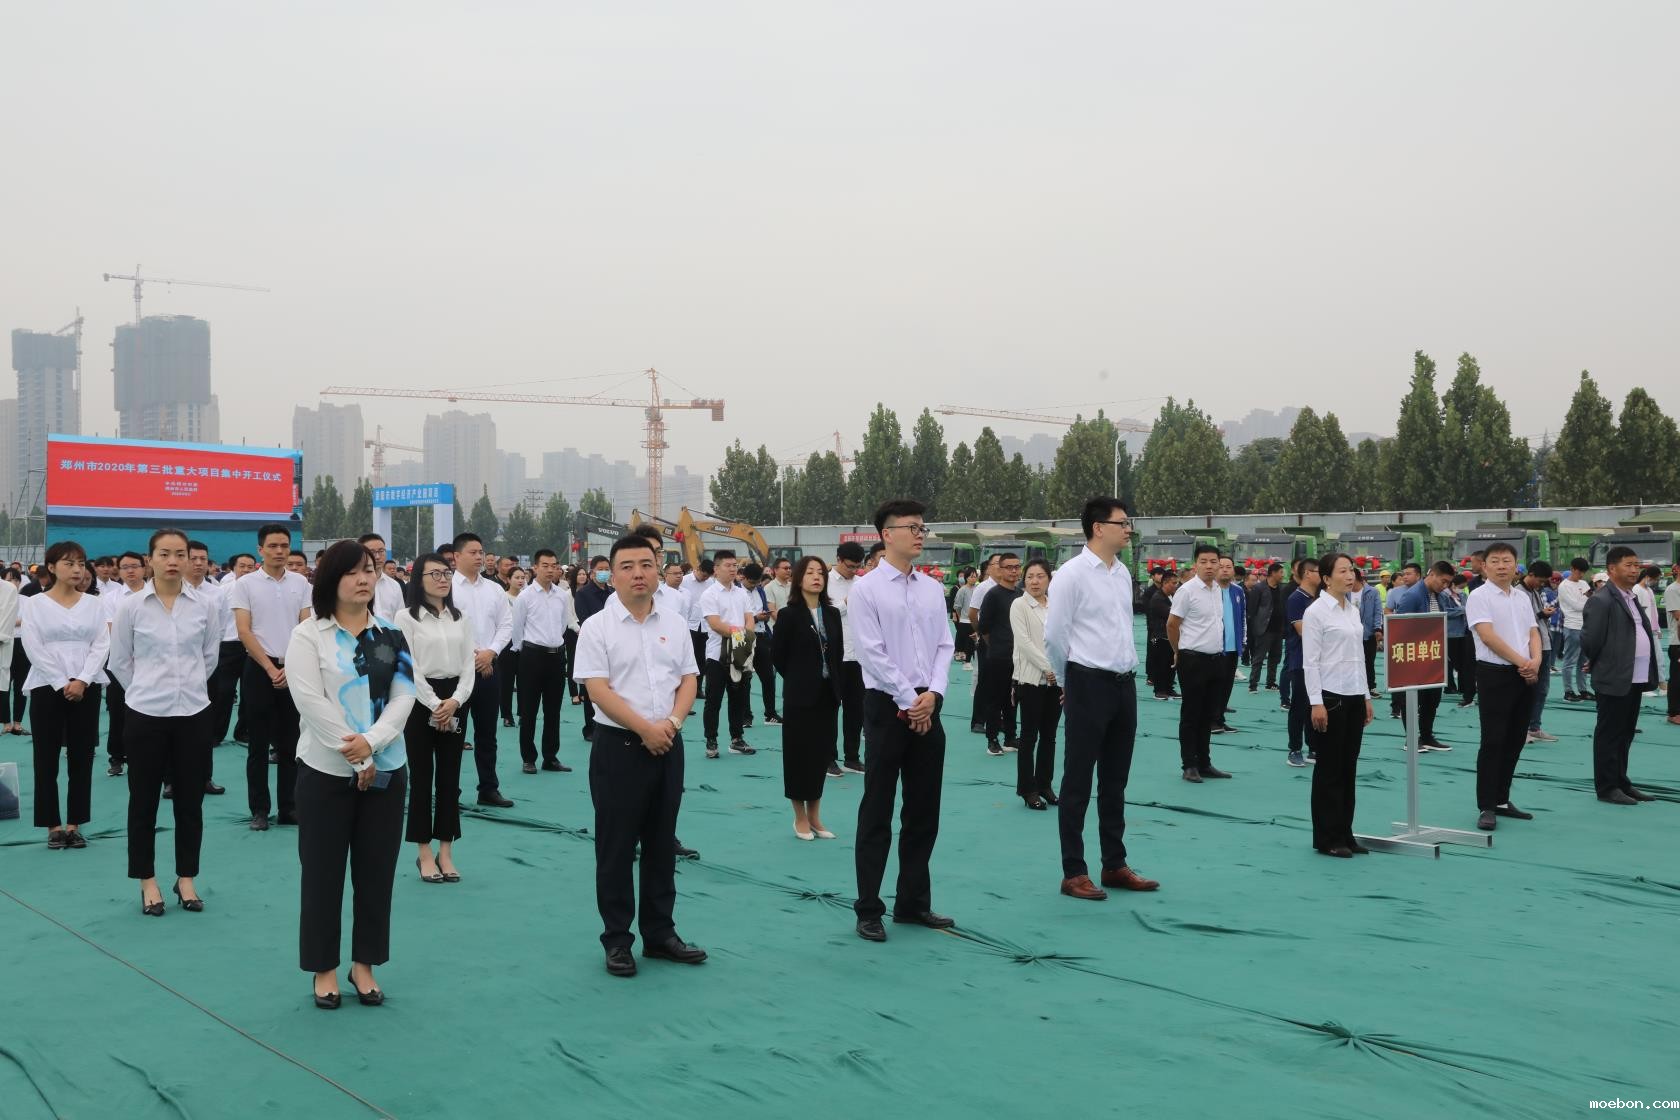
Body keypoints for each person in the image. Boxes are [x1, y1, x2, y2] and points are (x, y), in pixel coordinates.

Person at [288, 540, 415, 1009]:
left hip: (388, 770)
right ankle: (324, 967)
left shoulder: (391, 634)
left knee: (376, 873)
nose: (364, 579)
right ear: (330, 580)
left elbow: (404, 695)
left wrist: (374, 743)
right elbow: (311, 702)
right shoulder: (309, 635)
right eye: (352, 572)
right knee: (322, 874)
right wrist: (358, 757)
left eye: (370, 570)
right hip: (326, 772)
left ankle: (365, 965)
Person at [572, 534, 705, 977]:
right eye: (626, 566)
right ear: (611, 574)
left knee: (662, 844)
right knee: (615, 847)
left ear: (658, 568)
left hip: (668, 743)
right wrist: (645, 728)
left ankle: (660, 934)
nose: (638, 574)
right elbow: (598, 689)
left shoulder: (674, 622)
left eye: (646, 564)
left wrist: (672, 724)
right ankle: (617, 940)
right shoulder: (597, 628)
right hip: (620, 748)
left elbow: (688, 678)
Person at [850, 499, 956, 943]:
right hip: (887, 707)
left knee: (923, 810)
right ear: (886, 534)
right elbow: (871, 653)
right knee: (878, 808)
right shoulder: (866, 589)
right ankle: (868, 908)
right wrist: (911, 699)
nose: (919, 535)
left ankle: (912, 902)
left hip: (927, 706)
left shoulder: (931, 588)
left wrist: (934, 695)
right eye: (911, 527)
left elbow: (945, 645)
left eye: (922, 528)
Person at [1044, 498, 1158, 900]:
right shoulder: (1071, 575)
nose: (1128, 529)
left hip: (1124, 685)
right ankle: (1074, 871)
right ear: (1098, 527)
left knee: (1115, 781)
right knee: (1077, 780)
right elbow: (1055, 635)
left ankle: (1114, 864)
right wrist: (1067, 681)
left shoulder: (1122, 572)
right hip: (1087, 683)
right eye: (1122, 523)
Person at [109, 529, 220, 914]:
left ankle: (186, 878)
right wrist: (147, 690)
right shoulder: (131, 607)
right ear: (150, 559)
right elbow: (120, 661)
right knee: (143, 800)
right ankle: (147, 880)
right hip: (145, 715)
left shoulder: (205, 605)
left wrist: (185, 688)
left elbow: (209, 657)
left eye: (180, 554)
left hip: (193, 713)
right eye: (164, 554)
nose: (173, 561)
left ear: (190, 558)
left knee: (190, 801)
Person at [23, 541, 109, 850]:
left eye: (81, 563)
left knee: (82, 755)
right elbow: (33, 646)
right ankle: (53, 826)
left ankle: (75, 824)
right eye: (69, 563)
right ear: (51, 567)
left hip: (87, 685)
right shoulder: (34, 604)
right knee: (45, 757)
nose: (77, 569)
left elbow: (101, 644)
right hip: (46, 685)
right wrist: (62, 682)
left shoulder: (94, 604)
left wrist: (83, 680)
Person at [396, 553, 475, 883]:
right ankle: (424, 852)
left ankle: (446, 851)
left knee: (449, 777)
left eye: (446, 573)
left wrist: (455, 700)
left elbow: (468, 665)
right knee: (422, 776)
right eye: (435, 574)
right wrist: (434, 703)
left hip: (456, 698)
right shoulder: (406, 618)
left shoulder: (461, 617)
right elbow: (408, 666)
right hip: (419, 701)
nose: (443, 579)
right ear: (419, 579)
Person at [228, 524, 313, 831]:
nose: (279, 551)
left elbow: (306, 627)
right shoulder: (245, 584)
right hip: (258, 669)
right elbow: (244, 631)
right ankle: (260, 810)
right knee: (258, 745)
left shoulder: (301, 583)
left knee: (291, 743)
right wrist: (269, 668)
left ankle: (289, 807)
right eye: (273, 546)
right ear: (260, 550)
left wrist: (289, 667)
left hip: (294, 669)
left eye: (284, 545)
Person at [1301, 553, 1374, 858]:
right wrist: (1316, 703)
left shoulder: (1352, 609)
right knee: (1330, 769)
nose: (1349, 575)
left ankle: (1345, 832)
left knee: (1348, 767)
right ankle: (1328, 838)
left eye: (1351, 570)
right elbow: (1310, 661)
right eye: (1342, 571)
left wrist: (1366, 696)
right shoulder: (1316, 612)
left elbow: (1359, 656)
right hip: (1330, 696)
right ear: (1326, 578)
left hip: (1354, 694)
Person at [1465, 541, 1540, 831]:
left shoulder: (1521, 597)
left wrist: (1535, 661)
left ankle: (1502, 799)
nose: (1501, 566)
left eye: (1506, 561)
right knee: (1493, 740)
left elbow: (1533, 632)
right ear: (1484, 566)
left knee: (1515, 738)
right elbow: (1487, 636)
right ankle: (1486, 805)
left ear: (1515, 565)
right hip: (1495, 674)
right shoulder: (1479, 596)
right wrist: (1524, 662)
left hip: (1525, 673)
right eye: (1494, 561)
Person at [1580, 546, 1661, 805]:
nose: (1635, 570)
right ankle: (1607, 787)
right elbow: (1590, 640)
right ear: (1612, 569)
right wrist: (1598, 662)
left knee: (1625, 732)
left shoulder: (1630, 596)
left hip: (1634, 676)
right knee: (1610, 733)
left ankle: (1621, 782)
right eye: (1629, 565)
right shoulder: (1602, 599)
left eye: (1637, 565)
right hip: (1614, 675)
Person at [771, 555, 843, 840]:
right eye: (810, 572)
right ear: (799, 578)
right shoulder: (789, 615)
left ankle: (815, 815)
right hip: (800, 697)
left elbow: (837, 654)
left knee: (821, 755)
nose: (816, 577)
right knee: (798, 755)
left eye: (820, 573)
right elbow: (779, 656)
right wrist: (800, 679)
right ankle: (799, 817)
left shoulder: (832, 614)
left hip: (828, 695)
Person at [451, 532, 514, 808]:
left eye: (481, 552)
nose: (479, 557)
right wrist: (475, 655)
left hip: (489, 669)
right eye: (473, 552)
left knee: (487, 733)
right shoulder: (446, 588)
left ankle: (488, 788)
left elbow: (506, 625)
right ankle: (449, 791)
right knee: (453, 735)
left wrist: (491, 652)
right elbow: (444, 627)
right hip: (456, 671)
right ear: (457, 556)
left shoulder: (494, 590)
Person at [1168, 544, 1230, 783]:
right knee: (1191, 714)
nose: (1209, 566)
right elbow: (1172, 624)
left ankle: (1204, 762)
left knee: (1208, 714)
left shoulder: (1217, 590)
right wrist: (1178, 651)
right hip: (1192, 659)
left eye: (1213, 562)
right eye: (1203, 562)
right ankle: (1189, 764)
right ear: (1196, 565)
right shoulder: (1187, 591)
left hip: (1215, 659)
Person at [508, 549, 573, 774]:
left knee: (553, 710)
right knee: (529, 710)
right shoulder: (525, 597)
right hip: (531, 657)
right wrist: (525, 650)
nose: (550, 570)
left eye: (553, 566)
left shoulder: (562, 595)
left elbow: (563, 625)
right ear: (535, 568)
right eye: (545, 565)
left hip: (557, 657)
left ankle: (550, 757)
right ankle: (528, 758)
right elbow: (517, 629)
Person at [1385, 561, 1456, 753]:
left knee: (1432, 699)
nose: (1445, 586)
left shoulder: (1439, 595)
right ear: (1431, 574)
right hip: (1414, 656)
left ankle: (1427, 736)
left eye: (1448, 583)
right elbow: (1401, 627)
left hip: (1433, 655)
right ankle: (1411, 739)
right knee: (1411, 699)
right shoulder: (1413, 595)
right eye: (1443, 581)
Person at [1009, 558, 1059, 810]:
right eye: (1030, 576)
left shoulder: (1055, 605)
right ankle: (1028, 790)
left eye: (1040, 576)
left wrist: (1058, 671)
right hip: (1030, 680)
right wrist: (1048, 668)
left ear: (1049, 579)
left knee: (1050, 736)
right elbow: (1024, 643)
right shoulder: (1019, 605)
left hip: (1056, 682)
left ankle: (1044, 784)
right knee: (1029, 737)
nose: (1034, 581)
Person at [698, 550, 755, 758]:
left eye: (734, 565)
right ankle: (711, 740)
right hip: (717, 655)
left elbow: (750, 618)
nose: (733, 569)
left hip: (740, 653)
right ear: (716, 569)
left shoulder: (741, 593)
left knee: (738, 698)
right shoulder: (709, 594)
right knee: (713, 700)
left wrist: (745, 637)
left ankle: (736, 738)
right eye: (728, 565)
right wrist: (741, 635)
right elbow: (715, 624)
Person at [102, 551, 147, 777]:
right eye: (125, 567)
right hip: (119, 663)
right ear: (118, 571)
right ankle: (117, 757)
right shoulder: (111, 598)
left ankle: (145, 757)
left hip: (150, 663)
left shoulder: (156, 594)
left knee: (149, 714)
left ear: (144, 568)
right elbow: (112, 631)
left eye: (135, 566)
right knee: (118, 711)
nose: (130, 571)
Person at [975, 552, 1023, 755]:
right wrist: (996, 645)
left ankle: (1010, 737)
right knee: (995, 699)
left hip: (1018, 657)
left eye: (1017, 567)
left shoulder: (1021, 595)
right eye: (1009, 567)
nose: (1013, 571)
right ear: (1000, 570)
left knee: (1012, 699)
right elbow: (983, 628)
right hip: (998, 657)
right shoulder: (993, 595)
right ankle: (992, 739)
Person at [827, 543, 867, 773]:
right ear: (839, 559)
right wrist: (846, 603)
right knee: (831, 708)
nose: (853, 571)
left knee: (856, 709)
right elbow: (824, 615)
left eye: (857, 567)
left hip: (858, 655)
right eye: (850, 566)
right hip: (834, 655)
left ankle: (852, 756)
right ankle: (828, 758)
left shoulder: (862, 584)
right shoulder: (824, 582)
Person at [1282, 558, 1320, 767]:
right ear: (1307, 573)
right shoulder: (1296, 598)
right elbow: (1302, 630)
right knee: (1299, 706)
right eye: (1318, 571)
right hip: (1301, 660)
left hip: (1319, 660)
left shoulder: (1320, 597)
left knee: (1315, 704)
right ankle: (1294, 749)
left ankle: (1314, 747)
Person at [572, 554, 613, 741]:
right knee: (592, 689)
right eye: (600, 569)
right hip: (593, 644)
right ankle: (590, 727)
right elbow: (584, 619)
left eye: (607, 569)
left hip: (613, 644)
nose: (604, 572)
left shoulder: (613, 592)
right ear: (592, 572)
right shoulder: (583, 594)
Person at [1519, 561, 1559, 743]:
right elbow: (1521, 621)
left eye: (1544, 582)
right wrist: (1541, 614)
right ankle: (1522, 729)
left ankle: (1534, 727)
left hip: (1544, 643)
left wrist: (1544, 614)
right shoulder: (1518, 592)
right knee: (1527, 691)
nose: (1542, 584)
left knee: (1542, 690)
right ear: (1531, 574)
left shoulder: (1534, 591)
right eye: (1540, 580)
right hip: (1530, 648)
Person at [966, 555, 1001, 733]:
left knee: (1002, 681)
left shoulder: (1010, 588)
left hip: (1004, 641)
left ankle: (997, 719)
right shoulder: (984, 587)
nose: (1001, 567)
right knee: (985, 680)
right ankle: (978, 721)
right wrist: (981, 632)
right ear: (989, 568)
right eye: (997, 564)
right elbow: (972, 613)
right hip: (987, 640)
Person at [1210, 556, 1244, 735]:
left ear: (1233, 570)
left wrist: (1242, 642)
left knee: (1226, 686)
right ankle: (1211, 721)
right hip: (1215, 648)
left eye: (1228, 567)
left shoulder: (1238, 591)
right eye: (1221, 566)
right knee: (1214, 686)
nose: (1224, 569)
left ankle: (1220, 719)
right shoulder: (1210, 590)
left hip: (1233, 647)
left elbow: (1242, 617)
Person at [1246, 562, 1285, 692]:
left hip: (1278, 629)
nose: (1282, 575)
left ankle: (1271, 683)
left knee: (1275, 657)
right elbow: (1252, 610)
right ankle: (1253, 684)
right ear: (1273, 573)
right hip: (1264, 629)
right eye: (1281, 572)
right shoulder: (1259, 588)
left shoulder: (1281, 588)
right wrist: (1254, 628)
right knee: (1259, 657)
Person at [497, 565, 527, 728]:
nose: (520, 580)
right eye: (517, 577)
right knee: (506, 682)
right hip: (506, 644)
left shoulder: (527, 597)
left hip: (525, 643)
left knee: (524, 681)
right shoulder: (502, 597)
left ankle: (523, 713)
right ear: (508, 580)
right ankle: (507, 715)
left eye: (523, 577)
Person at [680, 557, 713, 700]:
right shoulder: (684, 581)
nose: (705, 578)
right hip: (688, 625)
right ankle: (683, 689)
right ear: (698, 569)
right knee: (687, 658)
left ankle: (698, 688)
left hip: (704, 625)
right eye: (703, 575)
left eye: (707, 576)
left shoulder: (711, 583)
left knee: (701, 659)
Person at [1146, 569, 1179, 699]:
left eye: (1176, 583)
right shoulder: (1158, 598)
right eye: (1173, 583)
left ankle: (1169, 688)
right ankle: (1159, 690)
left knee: (1171, 665)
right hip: (1160, 636)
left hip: (1170, 636)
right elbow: (1171, 615)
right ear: (1165, 583)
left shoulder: (1171, 596)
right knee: (1161, 664)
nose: (1176, 585)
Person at [361, 534, 406, 621]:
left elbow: (400, 619)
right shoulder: (355, 584)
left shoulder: (394, 586)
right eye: (372, 552)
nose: (377, 557)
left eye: (381, 551)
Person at [1355, 568, 1384, 699]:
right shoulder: (1344, 592)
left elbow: (1378, 611)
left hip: (1368, 633)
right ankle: (1355, 688)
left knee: (1369, 661)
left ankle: (1370, 687)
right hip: (1350, 635)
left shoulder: (1372, 592)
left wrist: (1378, 628)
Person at [567, 563, 593, 705]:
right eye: (579, 574)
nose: (582, 576)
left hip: (588, 630)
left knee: (585, 661)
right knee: (572, 662)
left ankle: (583, 692)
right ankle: (574, 693)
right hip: (573, 631)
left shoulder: (589, 592)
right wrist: (578, 629)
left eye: (584, 574)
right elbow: (568, 616)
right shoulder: (567, 594)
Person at [951, 569, 978, 666]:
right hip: (965, 620)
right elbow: (957, 606)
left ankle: (968, 660)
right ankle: (966, 661)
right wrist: (960, 617)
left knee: (974, 642)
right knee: (967, 641)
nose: (974, 578)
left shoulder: (977, 589)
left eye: (975, 576)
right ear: (966, 578)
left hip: (976, 619)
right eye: (971, 576)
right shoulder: (962, 590)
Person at [1666, 562, 1680, 726]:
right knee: (1677, 678)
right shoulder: (1673, 590)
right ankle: (1674, 713)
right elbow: (1678, 615)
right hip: (1677, 642)